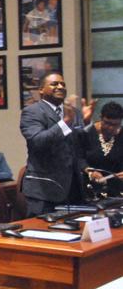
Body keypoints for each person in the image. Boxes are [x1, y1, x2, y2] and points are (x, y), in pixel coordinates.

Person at [19, 73, 94, 215]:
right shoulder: (32, 112)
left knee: (75, 235)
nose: (60, 86)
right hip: (44, 190)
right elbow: (38, 142)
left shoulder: (74, 113)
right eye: (54, 84)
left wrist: (86, 123)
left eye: (63, 84)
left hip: (74, 189)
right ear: (41, 90)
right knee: (42, 234)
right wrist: (65, 122)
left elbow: (82, 147)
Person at [83, 101, 123, 197]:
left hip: (115, 192)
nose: (110, 128)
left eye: (115, 124)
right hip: (88, 190)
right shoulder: (87, 133)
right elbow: (78, 158)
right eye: (107, 123)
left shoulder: (121, 135)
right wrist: (89, 171)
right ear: (101, 118)